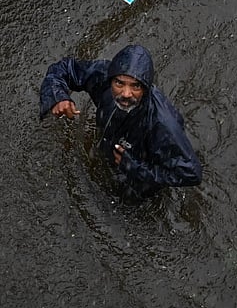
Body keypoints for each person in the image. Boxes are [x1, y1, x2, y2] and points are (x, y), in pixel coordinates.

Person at [39, 44, 202, 198]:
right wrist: (58, 96)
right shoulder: (102, 77)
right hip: (110, 147)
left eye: (135, 86)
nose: (125, 93)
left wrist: (136, 168)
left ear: (145, 88)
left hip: (138, 183)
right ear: (111, 79)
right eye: (119, 83)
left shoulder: (162, 124)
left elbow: (191, 173)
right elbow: (64, 69)